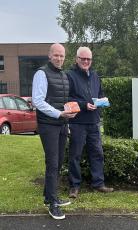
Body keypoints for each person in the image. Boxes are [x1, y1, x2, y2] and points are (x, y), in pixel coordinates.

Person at [32, 43, 77, 220]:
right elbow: (37, 101)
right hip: (48, 125)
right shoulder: (41, 73)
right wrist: (59, 113)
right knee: (52, 163)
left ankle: (50, 196)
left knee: (57, 162)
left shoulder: (63, 75)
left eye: (62, 56)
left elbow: (62, 100)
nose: (59, 58)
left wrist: (69, 111)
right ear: (49, 55)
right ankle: (53, 204)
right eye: (56, 55)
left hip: (62, 124)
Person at [67, 46, 114, 199]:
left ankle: (98, 183)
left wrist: (101, 101)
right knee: (75, 155)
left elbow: (99, 93)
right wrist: (83, 105)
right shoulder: (70, 76)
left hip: (94, 121)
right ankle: (74, 186)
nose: (86, 61)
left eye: (88, 59)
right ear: (77, 59)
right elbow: (67, 98)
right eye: (83, 58)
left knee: (97, 153)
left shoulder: (95, 75)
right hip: (78, 122)